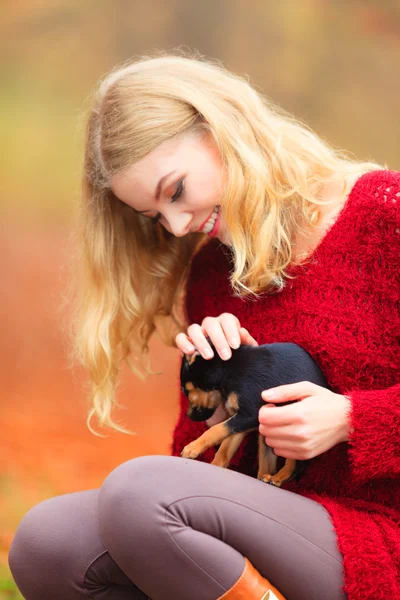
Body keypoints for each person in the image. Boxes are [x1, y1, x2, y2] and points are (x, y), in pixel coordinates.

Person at [8, 53, 400, 600]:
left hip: (379, 535)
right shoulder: (213, 271)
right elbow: (192, 472)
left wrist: (354, 419)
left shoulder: (385, 215)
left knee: (137, 491)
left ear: (222, 129)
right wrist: (219, 399)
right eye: (153, 217)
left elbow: (158, 499)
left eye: (174, 191)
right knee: (48, 543)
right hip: (277, 522)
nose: (176, 225)